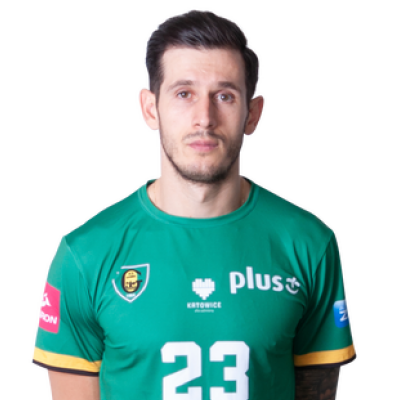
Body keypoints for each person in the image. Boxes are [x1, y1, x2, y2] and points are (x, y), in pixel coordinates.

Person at [29, 8, 359, 399]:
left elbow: (318, 390)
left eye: (225, 96)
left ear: (253, 115)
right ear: (149, 108)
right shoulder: (84, 253)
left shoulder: (309, 243)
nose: (204, 118)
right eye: (184, 93)